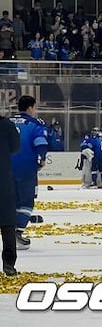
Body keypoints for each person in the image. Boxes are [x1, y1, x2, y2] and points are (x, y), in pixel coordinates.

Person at [9, 95, 48, 250]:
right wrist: (42, 159)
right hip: (25, 167)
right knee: (25, 202)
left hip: (5, 167)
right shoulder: (35, 124)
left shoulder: (6, 122)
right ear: (30, 107)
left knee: (9, 201)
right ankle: (17, 233)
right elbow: (41, 143)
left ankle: (9, 230)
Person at [0, 114, 21, 275]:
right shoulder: (7, 125)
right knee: (7, 224)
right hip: (3, 180)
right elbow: (15, 147)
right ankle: (9, 263)